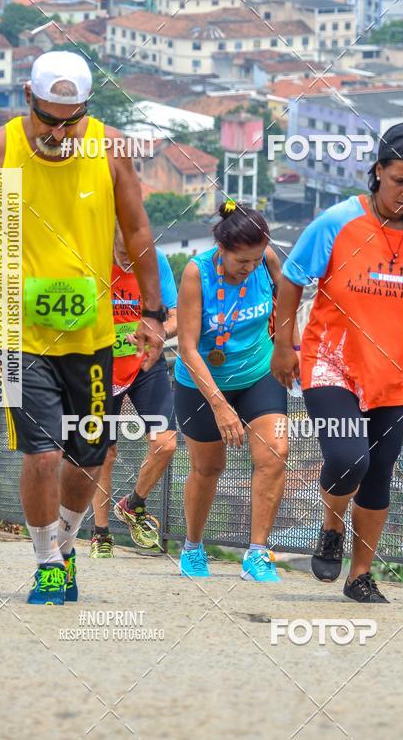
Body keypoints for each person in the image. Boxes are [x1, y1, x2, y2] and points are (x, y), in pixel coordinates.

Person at [0, 50, 166, 605]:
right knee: (41, 453)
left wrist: (152, 312)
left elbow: (137, 228)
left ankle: (66, 544)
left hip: (91, 336)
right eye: (49, 118)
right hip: (20, 333)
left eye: (72, 120)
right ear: (28, 99)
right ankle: (46, 561)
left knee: (86, 457)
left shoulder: (109, 149)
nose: (60, 131)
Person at [271, 121, 403, 603]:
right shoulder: (337, 221)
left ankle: (359, 575)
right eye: (400, 179)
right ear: (377, 172)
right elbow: (294, 277)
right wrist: (283, 341)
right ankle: (331, 524)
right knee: (346, 457)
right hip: (331, 362)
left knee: (379, 472)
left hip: (400, 370)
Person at [174, 200, 289, 582]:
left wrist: (291, 347)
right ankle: (192, 545)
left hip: (258, 373)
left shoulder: (266, 259)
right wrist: (221, 407)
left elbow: (286, 301)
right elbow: (188, 347)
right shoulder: (197, 273)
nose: (250, 268)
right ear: (222, 249)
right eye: (243, 262)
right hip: (203, 383)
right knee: (209, 468)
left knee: (275, 452)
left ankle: (257, 553)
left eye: (256, 260)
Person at [90, 229, 178, 557]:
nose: (129, 259)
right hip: (101, 369)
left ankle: (133, 504)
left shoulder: (155, 262)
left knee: (165, 444)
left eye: (135, 252)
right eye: (122, 252)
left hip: (144, 364)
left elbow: (175, 317)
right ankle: (101, 534)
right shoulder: (93, 260)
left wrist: (156, 332)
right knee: (105, 453)